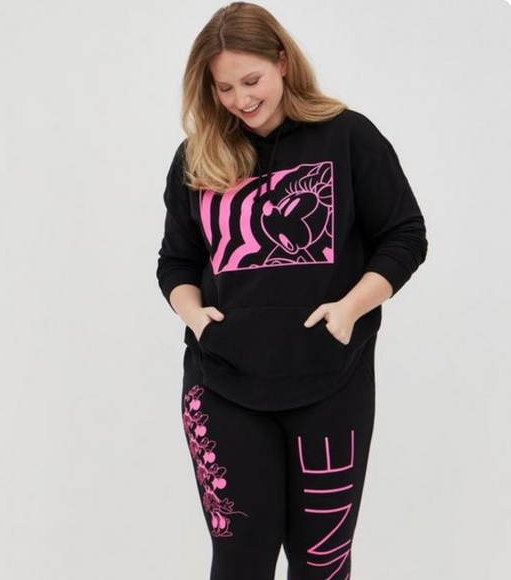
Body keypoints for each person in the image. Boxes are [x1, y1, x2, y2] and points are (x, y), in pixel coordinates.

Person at [156, 2, 428, 579]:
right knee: (240, 561)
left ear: (282, 62)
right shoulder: (197, 157)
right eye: (224, 88)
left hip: (330, 383)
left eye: (251, 80)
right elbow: (176, 262)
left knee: (322, 563)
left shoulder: (348, 136)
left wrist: (350, 308)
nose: (240, 99)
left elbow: (405, 235)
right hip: (222, 383)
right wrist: (197, 317)